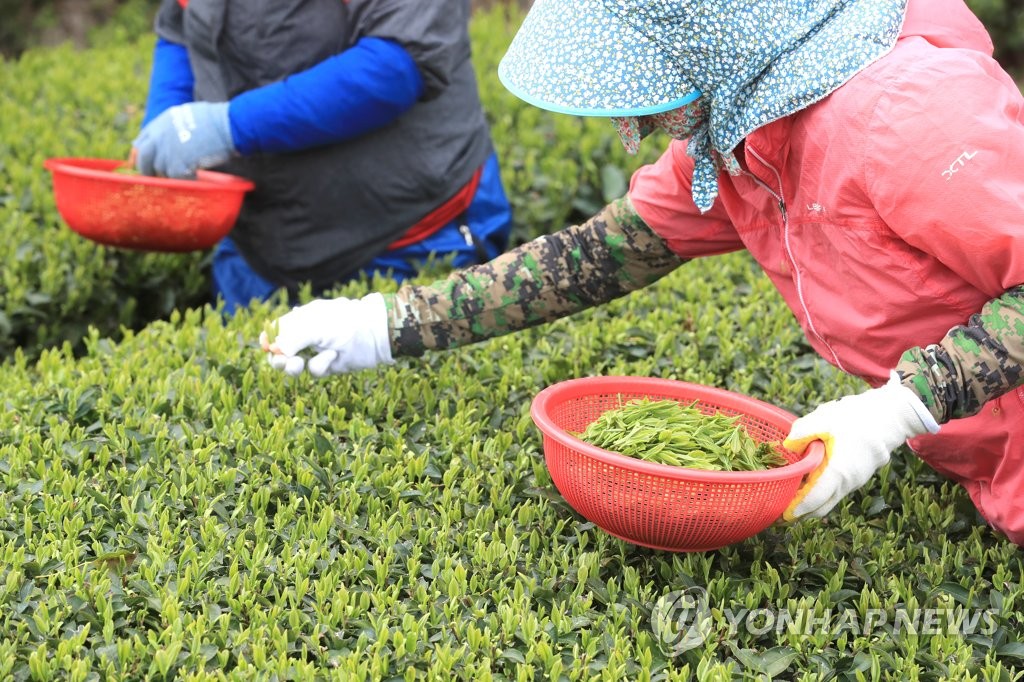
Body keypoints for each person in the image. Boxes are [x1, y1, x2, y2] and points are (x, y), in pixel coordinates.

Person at [259, 0, 1024, 544]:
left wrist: (900, 407)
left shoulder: (902, 113)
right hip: (988, 475)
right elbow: (598, 256)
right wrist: (383, 327)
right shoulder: (742, 124)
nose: (630, 132)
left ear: (708, 34)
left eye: (643, 82)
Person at [132, 0, 513, 313]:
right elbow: (180, 23)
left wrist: (229, 125)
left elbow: (396, 62)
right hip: (258, 244)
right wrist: (168, 120)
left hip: (405, 237)